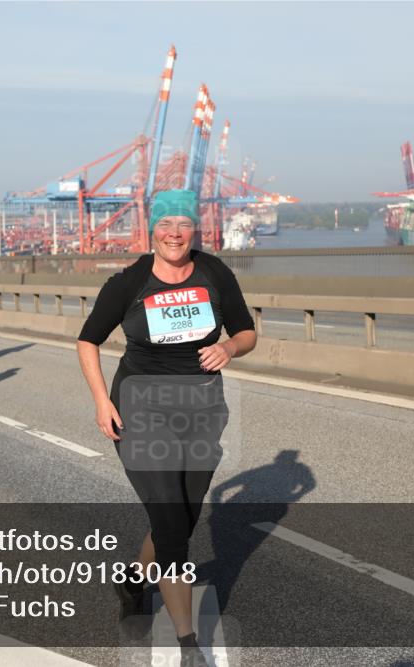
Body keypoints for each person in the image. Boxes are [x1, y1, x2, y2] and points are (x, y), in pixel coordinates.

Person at [76, 189, 257, 664]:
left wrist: (230, 349)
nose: (174, 233)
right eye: (165, 224)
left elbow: (246, 331)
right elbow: (87, 340)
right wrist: (100, 401)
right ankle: (187, 644)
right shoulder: (129, 282)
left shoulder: (214, 272)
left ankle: (134, 581)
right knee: (173, 527)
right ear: (151, 230)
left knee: (185, 515)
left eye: (183, 224)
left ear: (194, 229)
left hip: (200, 410)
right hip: (140, 411)